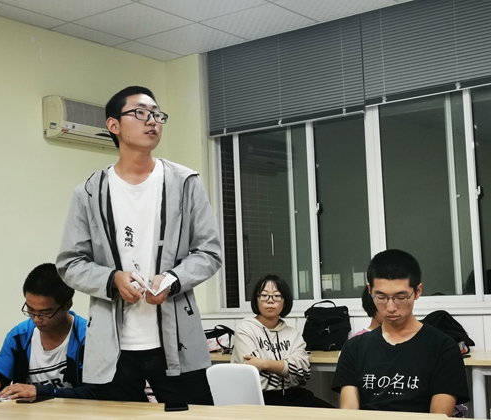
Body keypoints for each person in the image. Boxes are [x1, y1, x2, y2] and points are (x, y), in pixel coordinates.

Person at [56, 86, 222, 404]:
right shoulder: (89, 192)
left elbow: (209, 251)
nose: (152, 121)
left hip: (176, 343)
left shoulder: (185, 183)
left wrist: (172, 280)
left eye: (157, 114)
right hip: (112, 349)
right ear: (113, 125)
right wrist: (112, 279)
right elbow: (70, 263)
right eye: (140, 113)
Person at [332, 249, 470, 415]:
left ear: (418, 291)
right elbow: (349, 414)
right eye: (381, 297)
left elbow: (439, 417)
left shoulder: (443, 348)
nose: (390, 307)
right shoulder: (354, 348)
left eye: (401, 297)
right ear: (369, 290)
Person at [0, 263, 89, 399]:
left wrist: (41, 391)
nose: (36, 319)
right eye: (30, 310)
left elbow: (96, 392)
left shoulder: (88, 337)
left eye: (45, 312)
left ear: (67, 304)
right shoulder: (19, 336)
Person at [231, 274, 332, 408]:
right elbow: (252, 371)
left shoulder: (293, 334)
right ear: (256, 300)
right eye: (264, 295)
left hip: (295, 393)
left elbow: (303, 372)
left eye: (277, 296)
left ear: (285, 302)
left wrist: (265, 363)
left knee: (335, 414)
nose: (270, 301)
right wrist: (287, 369)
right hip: (262, 398)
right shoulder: (245, 329)